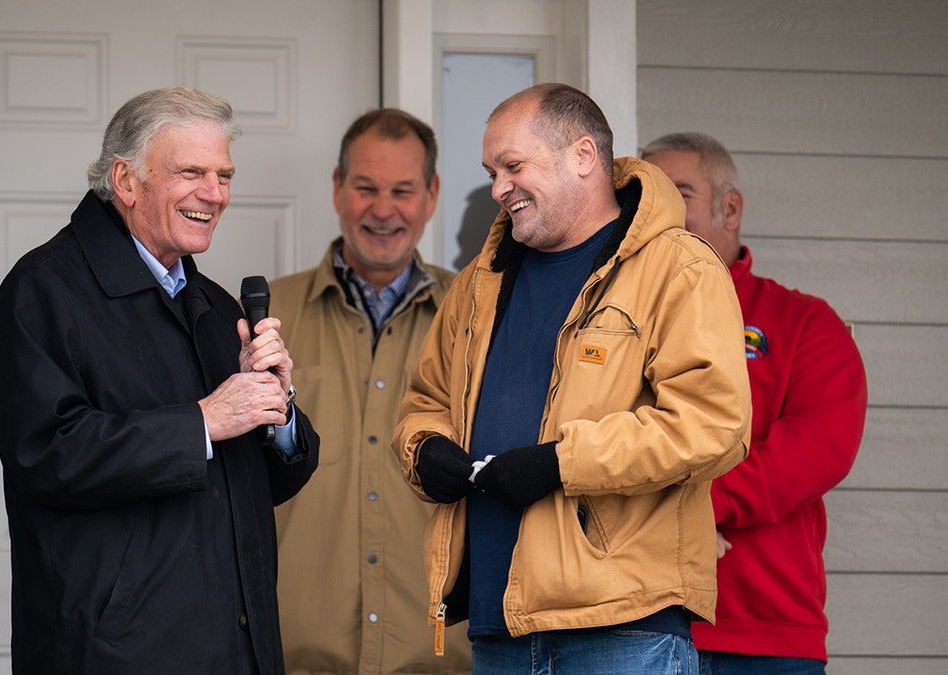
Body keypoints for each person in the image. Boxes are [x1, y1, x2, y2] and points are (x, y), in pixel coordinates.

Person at [391, 83, 753, 673]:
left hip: (624, 627)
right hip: (497, 625)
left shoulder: (679, 267)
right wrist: (426, 448)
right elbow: (425, 402)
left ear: (583, 156)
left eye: (512, 167)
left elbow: (714, 424)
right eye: (492, 173)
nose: (498, 189)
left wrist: (559, 463)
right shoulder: (478, 282)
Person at [0, 87, 319, 674]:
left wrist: (276, 409)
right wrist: (203, 423)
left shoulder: (216, 306)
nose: (214, 194)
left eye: (223, 176)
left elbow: (257, 485)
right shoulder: (43, 291)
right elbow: (46, 456)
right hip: (115, 655)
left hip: (238, 651)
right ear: (126, 181)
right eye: (192, 173)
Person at [642, 132, 868, 674]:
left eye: (680, 195)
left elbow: (817, 448)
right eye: (649, 200)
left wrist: (698, 505)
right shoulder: (615, 327)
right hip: (633, 627)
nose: (660, 214)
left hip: (765, 632)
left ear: (730, 208)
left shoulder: (805, 322)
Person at [271, 109, 471, 674]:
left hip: (440, 657)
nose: (383, 210)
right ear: (338, 188)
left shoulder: (479, 318)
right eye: (366, 188)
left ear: (431, 195)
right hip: (296, 656)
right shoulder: (264, 319)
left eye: (402, 191)